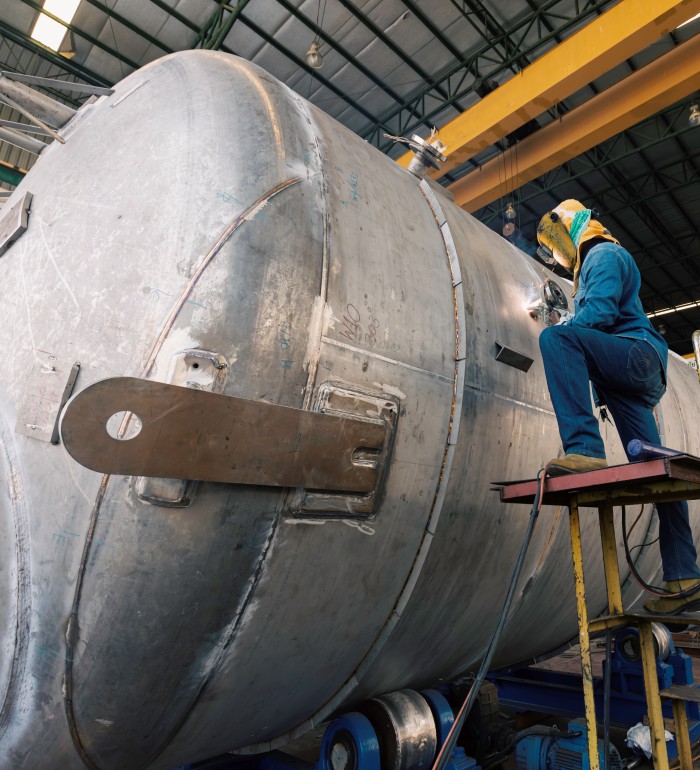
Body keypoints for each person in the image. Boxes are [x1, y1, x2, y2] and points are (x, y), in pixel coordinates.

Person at [536, 199, 700, 614]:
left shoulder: (603, 254)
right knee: (656, 468)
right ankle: (684, 576)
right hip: (628, 376)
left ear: (571, 229)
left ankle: (586, 450)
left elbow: (598, 316)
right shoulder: (597, 259)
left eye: (557, 246)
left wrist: (562, 326)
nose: (558, 256)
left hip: (636, 356)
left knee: (555, 340)